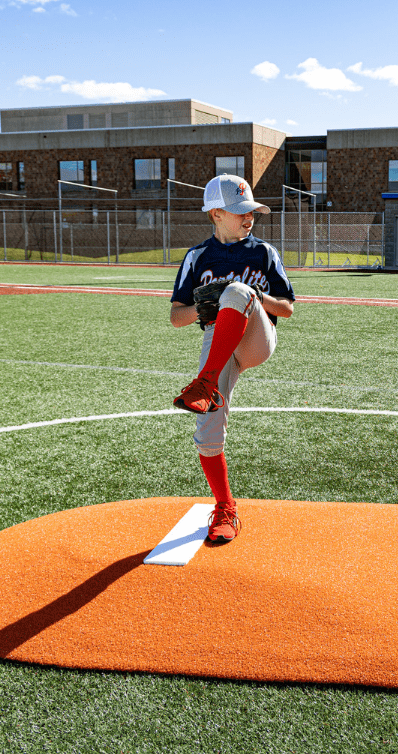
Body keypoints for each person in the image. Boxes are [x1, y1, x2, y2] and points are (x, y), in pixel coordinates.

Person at [170, 174, 295, 543]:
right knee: (207, 433)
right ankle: (225, 507)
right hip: (218, 341)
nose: (249, 217)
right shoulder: (197, 256)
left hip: (257, 337)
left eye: (251, 210)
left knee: (238, 290)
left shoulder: (263, 252)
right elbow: (177, 317)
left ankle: (204, 383)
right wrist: (204, 304)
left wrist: (250, 295)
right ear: (216, 214)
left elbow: (286, 308)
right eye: (240, 211)